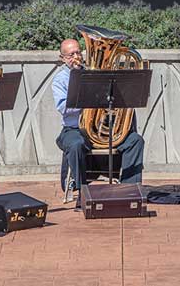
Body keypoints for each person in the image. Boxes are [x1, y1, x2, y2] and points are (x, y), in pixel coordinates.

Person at [52, 38, 144, 195]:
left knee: (135, 141)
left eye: (78, 52)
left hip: (102, 127)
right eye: (70, 55)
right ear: (62, 58)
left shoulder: (96, 73)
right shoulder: (60, 79)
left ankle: (129, 190)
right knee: (75, 145)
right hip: (75, 129)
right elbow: (63, 108)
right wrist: (88, 100)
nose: (76, 57)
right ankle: (82, 192)